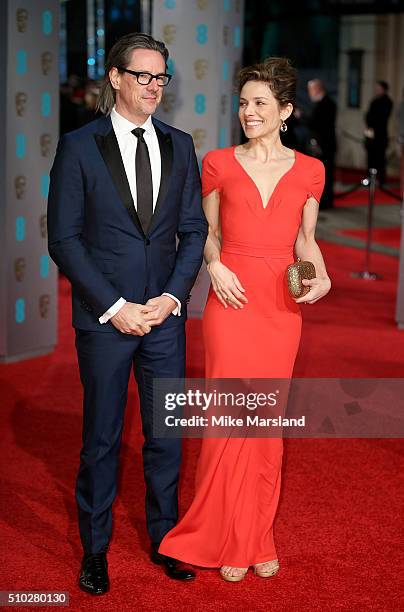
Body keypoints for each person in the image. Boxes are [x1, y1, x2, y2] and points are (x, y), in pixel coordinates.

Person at [159, 57, 331, 581]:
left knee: (265, 427)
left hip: (280, 309)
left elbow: (306, 243)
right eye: (243, 103)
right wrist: (215, 265)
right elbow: (205, 232)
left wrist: (321, 277)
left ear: (285, 111)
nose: (248, 112)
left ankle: (257, 535)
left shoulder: (310, 170)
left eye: (259, 104)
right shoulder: (218, 162)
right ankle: (225, 536)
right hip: (230, 305)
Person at [47, 32, 208, 594]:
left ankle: (166, 539)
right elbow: (64, 240)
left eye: (161, 78)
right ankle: (95, 549)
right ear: (115, 78)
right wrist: (114, 308)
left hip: (165, 317)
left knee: (166, 436)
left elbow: (193, 230)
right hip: (106, 321)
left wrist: (171, 297)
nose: (154, 87)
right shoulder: (79, 146)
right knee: (103, 438)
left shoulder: (181, 144)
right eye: (143, 76)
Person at [306, 79, 337, 209]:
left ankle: (325, 201)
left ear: (317, 89)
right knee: (322, 174)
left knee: (326, 174)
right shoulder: (323, 103)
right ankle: (323, 200)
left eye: (311, 90)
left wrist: (303, 117)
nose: (309, 93)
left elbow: (319, 125)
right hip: (323, 144)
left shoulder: (327, 104)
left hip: (325, 144)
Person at [364, 80, 393, 186]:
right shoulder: (374, 101)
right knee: (370, 157)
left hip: (380, 135)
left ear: (384, 89)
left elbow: (382, 118)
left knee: (380, 158)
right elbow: (368, 116)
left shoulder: (387, 102)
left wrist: (372, 120)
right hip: (371, 133)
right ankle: (369, 178)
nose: (376, 89)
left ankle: (380, 180)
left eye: (378, 87)